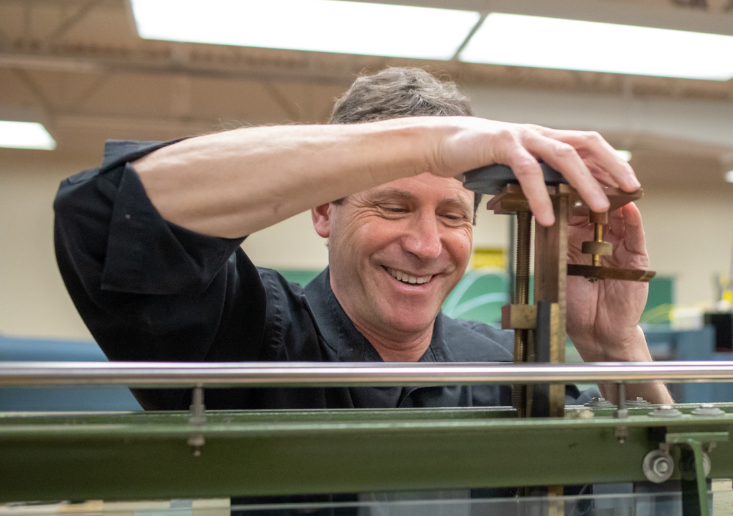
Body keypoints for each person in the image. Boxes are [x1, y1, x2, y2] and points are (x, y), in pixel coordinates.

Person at [54, 67, 672, 411]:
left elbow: (647, 494)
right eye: (393, 205)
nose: (428, 245)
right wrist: (432, 141)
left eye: (453, 215)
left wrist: (612, 346)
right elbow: (105, 217)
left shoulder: (509, 368)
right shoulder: (245, 339)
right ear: (324, 211)